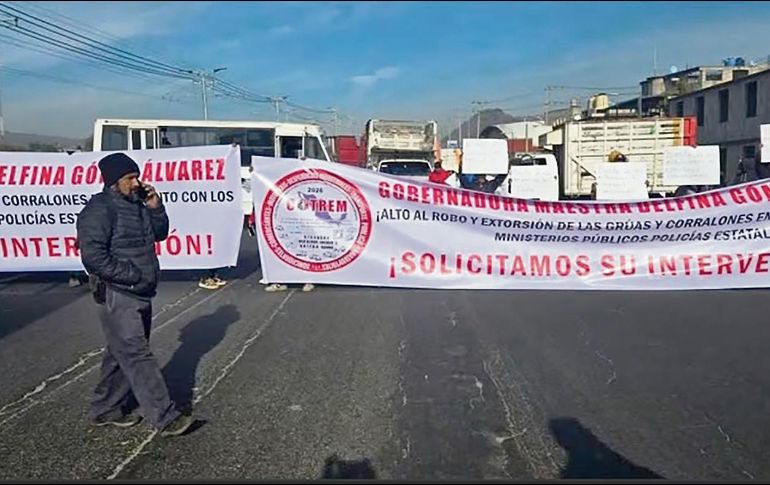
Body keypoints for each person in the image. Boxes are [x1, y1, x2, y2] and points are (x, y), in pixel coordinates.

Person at [76, 152, 194, 437]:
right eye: (129, 178)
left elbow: (160, 234)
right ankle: (165, 417)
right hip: (118, 292)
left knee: (120, 352)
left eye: (137, 176)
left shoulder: (137, 204)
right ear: (113, 181)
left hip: (140, 290)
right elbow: (93, 257)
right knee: (137, 354)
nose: (136, 182)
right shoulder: (99, 209)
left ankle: (105, 408)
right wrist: (132, 275)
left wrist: (155, 207)